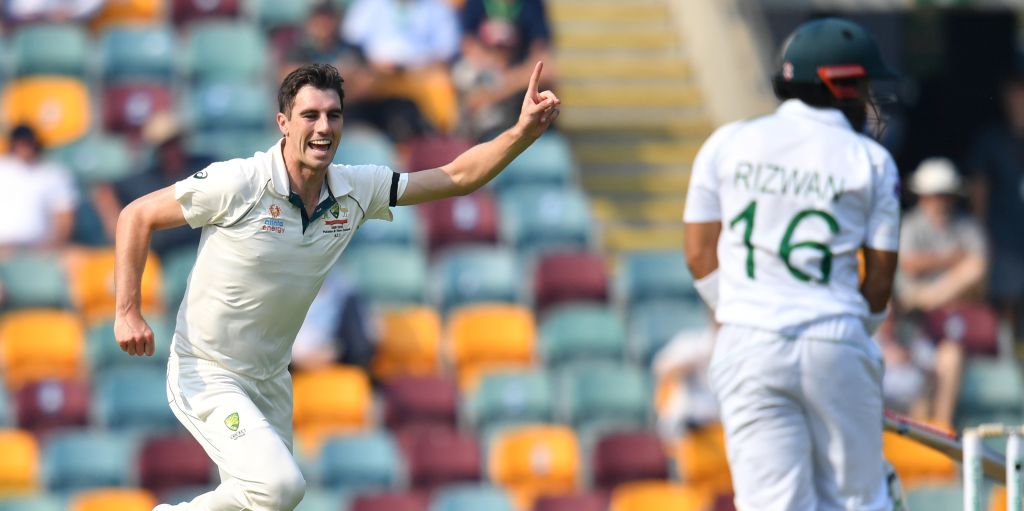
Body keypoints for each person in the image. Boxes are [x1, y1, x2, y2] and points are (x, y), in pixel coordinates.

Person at [114, 62, 558, 511]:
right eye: (310, 116)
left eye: (334, 115)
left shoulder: (354, 188)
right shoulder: (240, 182)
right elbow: (137, 215)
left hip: (270, 379)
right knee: (280, 488)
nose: (323, 128)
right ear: (283, 123)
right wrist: (127, 311)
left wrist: (520, 133)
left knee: (265, 502)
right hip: (207, 370)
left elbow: (459, 177)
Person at [682, 18, 902, 510]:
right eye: (863, 85)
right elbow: (881, 279)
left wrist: (743, 306)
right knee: (858, 502)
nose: (868, 99)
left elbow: (698, 254)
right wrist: (848, 325)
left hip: (748, 341)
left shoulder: (727, 142)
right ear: (838, 83)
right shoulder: (871, 160)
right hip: (835, 338)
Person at [897, 157, 991, 426]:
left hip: (954, 320)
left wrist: (931, 292)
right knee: (919, 368)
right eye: (934, 194)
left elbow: (978, 272)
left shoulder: (967, 225)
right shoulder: (911, 225)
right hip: (913, 324)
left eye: (945, 194)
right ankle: (922, 441)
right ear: (923, 196)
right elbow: (909, 264)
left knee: (949, 359)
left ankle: (941, 433)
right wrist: (951, 259)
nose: (940, 201)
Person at [93, 111, 213, 258]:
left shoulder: (205, 166)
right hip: (163, 255)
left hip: (204, 247)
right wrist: (118, 230)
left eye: (174, 142)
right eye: (164, 146)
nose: (171, 150)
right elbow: (105, 191)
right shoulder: (146, 179)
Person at [967, 65, 1024, 353]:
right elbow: (979, 190)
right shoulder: (992, 140)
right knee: (1007, 304)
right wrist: (981, 235)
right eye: (1016, 91)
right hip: (1004, 239)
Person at [0, 124, 78, 253]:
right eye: (20, 142)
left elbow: (65, 218)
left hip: (40, 250)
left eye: (27, 142)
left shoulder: (53, 174)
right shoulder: (2, 169)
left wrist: (52, 247)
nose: (24, 147)